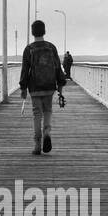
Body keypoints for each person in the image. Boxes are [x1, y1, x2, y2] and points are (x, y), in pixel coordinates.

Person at [18, 19, 67, 155]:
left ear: (32, 32)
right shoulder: (51, 47)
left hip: (34, 87)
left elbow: (25, 70)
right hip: (49, 86)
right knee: (48, 112)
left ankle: (37, 144)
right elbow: (58, 67)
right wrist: (60, 85)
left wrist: (23, 88)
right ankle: (47, 133)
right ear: (44, 31)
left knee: (36, 114)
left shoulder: (29, 49)